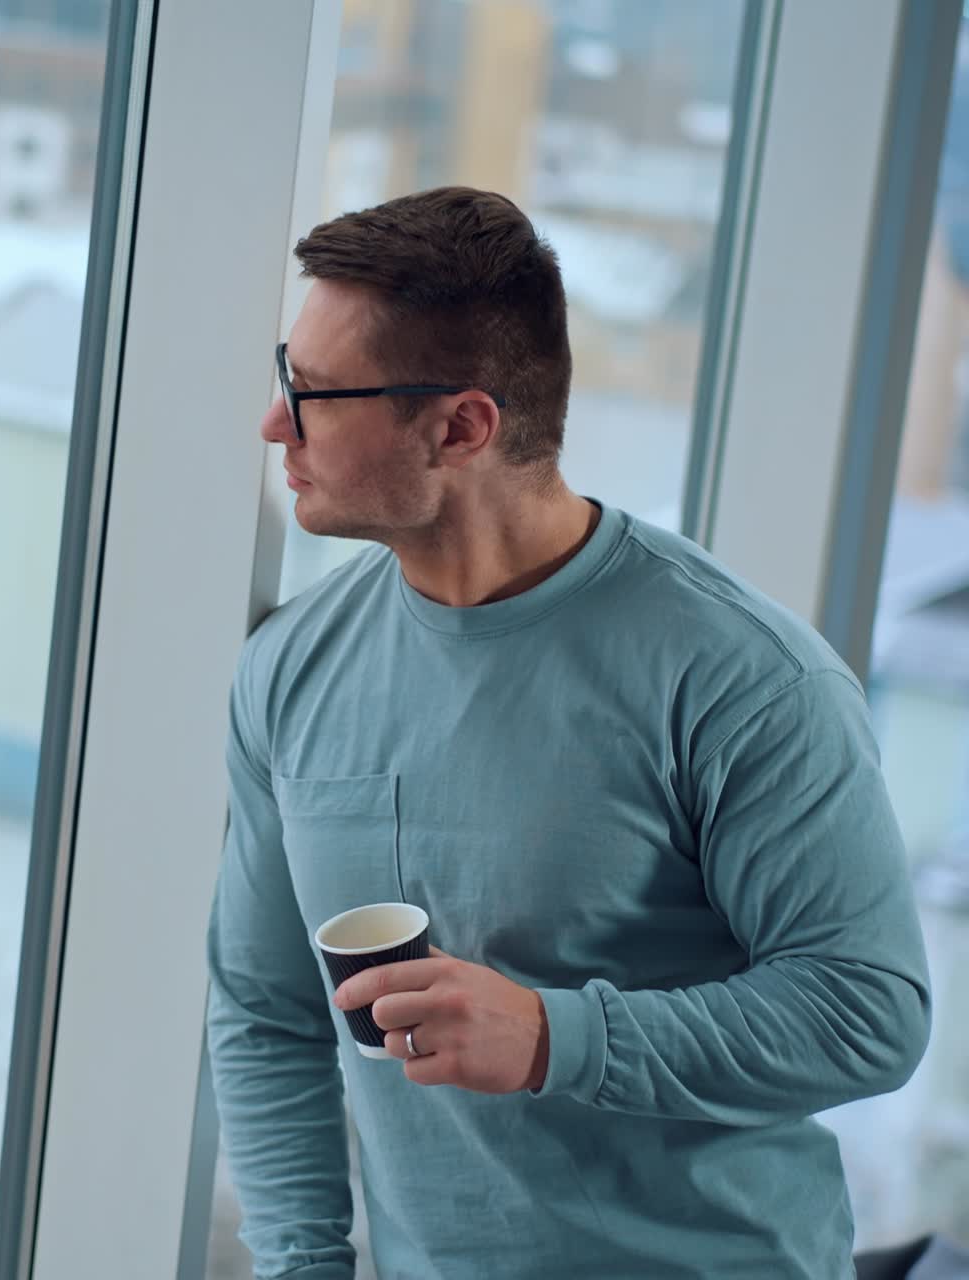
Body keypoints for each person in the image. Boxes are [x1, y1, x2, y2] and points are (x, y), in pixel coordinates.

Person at [205, 185, 931, 1279]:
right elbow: (265, 1011)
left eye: (310, 394)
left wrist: (552, 1036)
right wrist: (302, 1265)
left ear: (459, 426)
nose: (274, 425)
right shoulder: (291, 665)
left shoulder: (743, 677)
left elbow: (867, 1010)